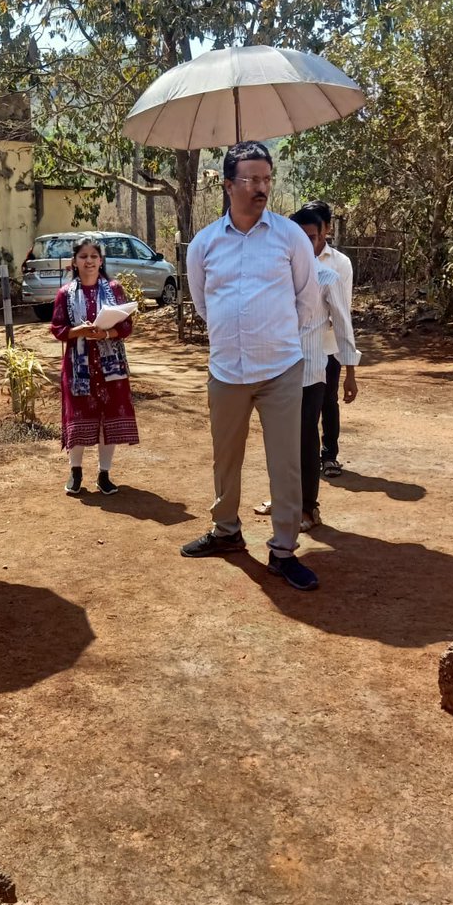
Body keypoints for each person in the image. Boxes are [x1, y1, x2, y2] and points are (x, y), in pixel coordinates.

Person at [181, 141, 321, 591]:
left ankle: (283, 550)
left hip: (280, 368)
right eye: (251, 180)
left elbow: (306, 299)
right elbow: (204, 303)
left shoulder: (290, 237)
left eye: (266, 179)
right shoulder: (204, 244)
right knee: (226, 458)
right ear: (228, 185)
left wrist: (270, 337)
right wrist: (236, 334)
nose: (261, 188)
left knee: (286, 462)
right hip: (226, 371)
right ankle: (226, 531)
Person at [254, 206, 359, 530]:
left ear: (322, 235)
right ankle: (283, 498)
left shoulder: (330, 274)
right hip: (276, 368)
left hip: (313, 368)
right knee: (279, 439)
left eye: (311, 237)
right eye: (298, 236)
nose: (305, 243)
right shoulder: (275, 272)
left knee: (305, 438)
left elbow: (343, 323)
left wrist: (350, 370)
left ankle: (308, 508)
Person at [50, 237, 139, 496]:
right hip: (79, 368)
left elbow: (126, 326)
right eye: (83, 256)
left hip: (110, 367)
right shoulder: (65, 294)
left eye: (93, 256)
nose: (89, 261)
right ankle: (75, 472)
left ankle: (104, 474)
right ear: (74, 262)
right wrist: (79, 330)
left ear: (101, 261)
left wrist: (105, 334)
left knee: (108, 418)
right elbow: (57, 329)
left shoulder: (115, 289)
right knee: (79, 418)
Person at [303, 199, 355, 477]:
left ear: (326, 230)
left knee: (327, 400)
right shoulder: (293, 256)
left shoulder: (339, 263)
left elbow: (341, 310)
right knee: (302, 408)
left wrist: (349, 367)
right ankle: (306, 460)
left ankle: (329, 456)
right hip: (297, 347)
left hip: (327, 345)